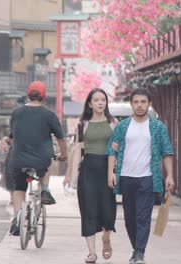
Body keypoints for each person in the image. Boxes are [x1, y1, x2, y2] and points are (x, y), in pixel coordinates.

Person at [106, 88, 175, 264]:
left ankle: (139, 253)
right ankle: (136, 249)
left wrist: (169, 176)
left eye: (143, 102)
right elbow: (112, 151)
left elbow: (167, 152)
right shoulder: (123, 127)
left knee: (143, 216)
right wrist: (111, 173)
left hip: (148, 177)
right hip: (126, 177)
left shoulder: (158, 127)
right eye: (136, 102)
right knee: (130, 218)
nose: (139, 105)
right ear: (131, 104)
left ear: (149, 103)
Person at [63, 88, 119, 263]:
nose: (100, 103)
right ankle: (92, 252)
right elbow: (76, 151)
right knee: (88, 209)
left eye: (103, 100)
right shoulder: (83, 124)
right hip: (88, 170)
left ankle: (106, 237)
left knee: (108, 210)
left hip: (108, 169)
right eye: (96, 100)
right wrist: (67, 174)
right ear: (90, 103)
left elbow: (120, 148)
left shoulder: (113, 122)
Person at [8, 81, 67, 236]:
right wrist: (64, 154)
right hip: (41, 158)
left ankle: (17, 218)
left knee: (19, 188)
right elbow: (61, 138)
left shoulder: (16, 113)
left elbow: (12, 136)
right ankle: (45, 190)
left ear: (28, 95)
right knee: (46, 163)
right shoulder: (49, 114)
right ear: (43, 96)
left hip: (19, 159)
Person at [0, 136, 15, 205]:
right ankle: (12, 198)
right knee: (9, 179)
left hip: (14, 159)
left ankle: (13, 198)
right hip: (9, 162)